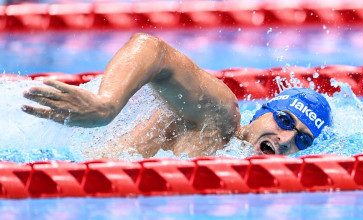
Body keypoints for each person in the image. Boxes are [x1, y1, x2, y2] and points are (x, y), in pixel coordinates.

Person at [21, 33, 332, 158]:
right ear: (262, 112)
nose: (287, 137)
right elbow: (152, 48)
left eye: (302, 140)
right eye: (284, 119)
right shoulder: (220, 118)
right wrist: (107, 105)